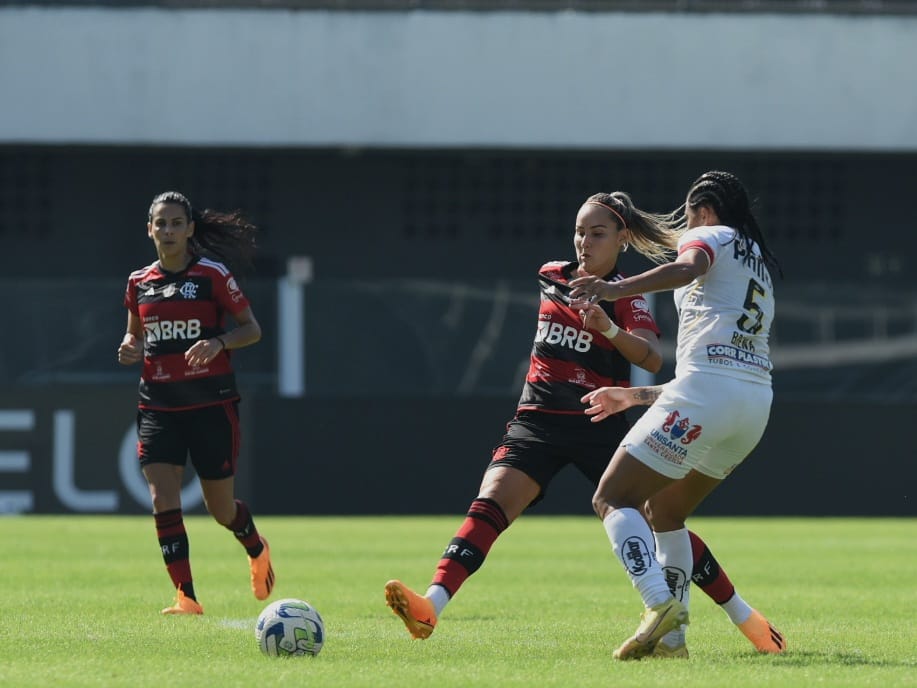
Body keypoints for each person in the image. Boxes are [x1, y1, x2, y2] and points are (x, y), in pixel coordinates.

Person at [384, 190, 784, 656]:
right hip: (538, 419)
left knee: (660, 518)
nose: (584, 242)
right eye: (579, 232)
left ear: (622, 240)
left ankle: (740, 615)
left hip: (598, 424)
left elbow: (652, 357)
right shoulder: (551, 276)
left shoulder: (630, 296)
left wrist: (609, 326)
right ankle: (431, 604)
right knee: (490, 503)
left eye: (597, 234)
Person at [569, 170, 784, 660]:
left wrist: (612, 291)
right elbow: (720, 367)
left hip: (708, 396)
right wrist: (632, 398)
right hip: (752, 409)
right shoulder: (759, 267)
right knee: (665, 512)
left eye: (688, 217)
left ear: (703, 212)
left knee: (612, 497)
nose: (686, 228)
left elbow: (687, 269)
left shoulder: (709, 235)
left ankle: (658, 604)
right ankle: (672, 641)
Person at [117, 191, 275, 615]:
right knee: (161, 498)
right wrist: (130, 344)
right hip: (158, 404)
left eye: (175, 223)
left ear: (189, 229)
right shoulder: (138, 281)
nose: (167, 231)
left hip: (211, 404)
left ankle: (256, 546)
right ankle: (186, 596)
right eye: (159, 224)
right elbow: (135, 331)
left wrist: (218, 341)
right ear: (149, 229)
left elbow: (252, 329)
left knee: (221, 510)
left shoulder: (212, 275)